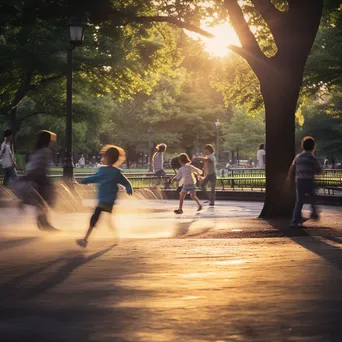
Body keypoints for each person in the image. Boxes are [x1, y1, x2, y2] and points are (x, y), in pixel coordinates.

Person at [76, 145, 133, 248]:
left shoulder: (103, 171)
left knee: (95, 217)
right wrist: (129, 188)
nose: (102, 159)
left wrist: (84, 181)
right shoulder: (116, 172)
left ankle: (85, 239)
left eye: (104, 157)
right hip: (109, 200)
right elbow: (126, 182)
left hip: (103, 200)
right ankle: (116, 237)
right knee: (107, 219)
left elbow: (95, 178)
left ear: (107, 158)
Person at [21, 130, 59, 231]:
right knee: (46, 201)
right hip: (42, 180)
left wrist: (28, 177)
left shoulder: (36, 151)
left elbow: (33, 166)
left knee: (42, 202)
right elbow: (41, 166)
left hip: (36, 180)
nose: (52, 142)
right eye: (51, 140)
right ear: (47, 141)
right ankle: (43, 222)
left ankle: (43, 221)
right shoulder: (46, 151)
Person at [289, 136, 322, 228]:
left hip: (299, 181)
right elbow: (318, 169)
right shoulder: (312, 157)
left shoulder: (298, 157)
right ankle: (314, 213)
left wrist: (290, 178)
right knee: (312, 197)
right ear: (313, 147)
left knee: (299, 201)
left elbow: (293, 167)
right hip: (309, 180)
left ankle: (295, 221)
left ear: (302, 146)